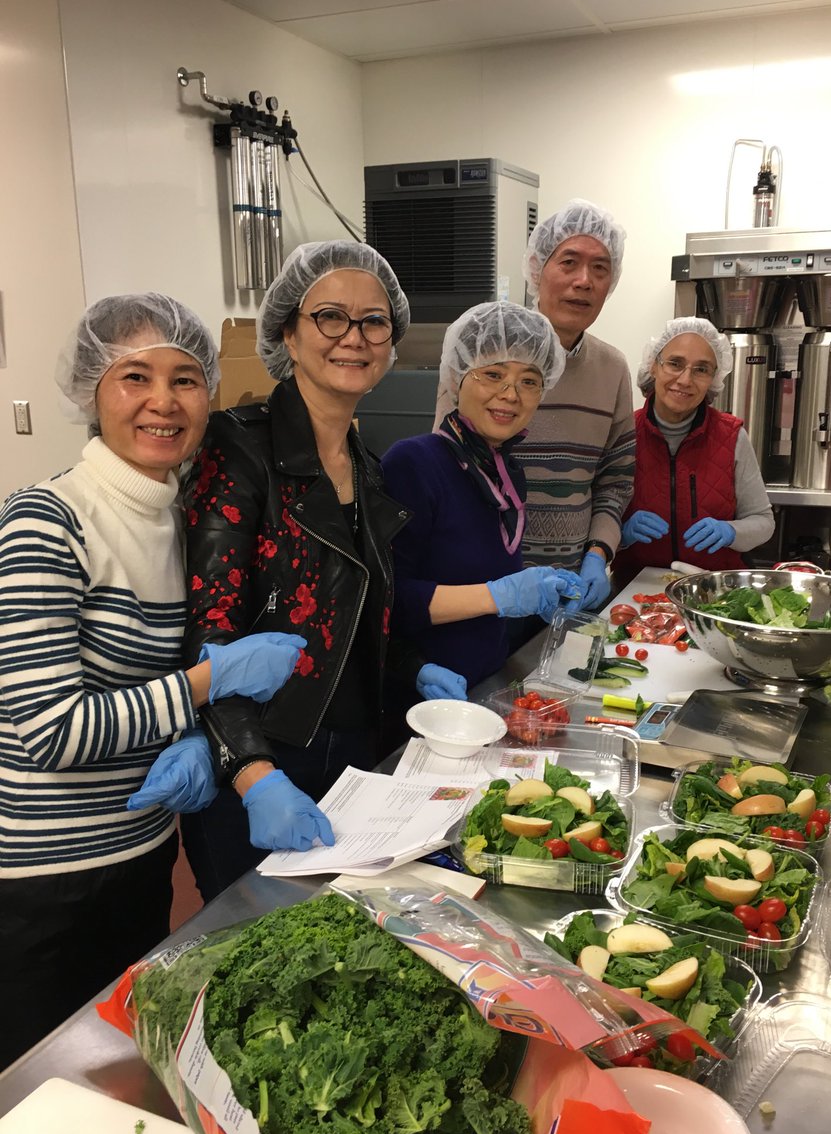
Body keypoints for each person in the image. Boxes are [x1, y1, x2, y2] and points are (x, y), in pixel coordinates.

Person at [0, 294, 305, 1070]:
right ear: (91, 394)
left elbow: (140, 681)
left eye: (186, 378)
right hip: (43, 882)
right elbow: (49, 731)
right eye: (134, 377)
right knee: (44, 1091)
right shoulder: (47, 521)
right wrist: (207, 684)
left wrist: (188, 740)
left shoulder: (173, 521)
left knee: (125, 1069)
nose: (163, 402)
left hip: (138, 855)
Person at [179, 241, 463, 903]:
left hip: (356, 747)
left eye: (373, 321)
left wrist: (409, 665)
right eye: (330, 317)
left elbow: (355, 611)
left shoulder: (365, 461)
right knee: (249, 946)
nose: (353, 338)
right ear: (289, 332)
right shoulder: (238, 444)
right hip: (265, 755)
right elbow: (210, 630)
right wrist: (254, 772)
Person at [434, 199, 635, 611]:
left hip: (571, 589)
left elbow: (615, 481)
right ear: (536, 269)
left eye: (600, 268)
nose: (584, 281)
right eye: (568, 262)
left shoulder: (612, 369)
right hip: (485, 589)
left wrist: (599, 554)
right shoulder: (484, 349)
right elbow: (446, 466)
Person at [381, 301, 581, 691]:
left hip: (488, 682)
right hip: (426, 696)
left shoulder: (507, 471)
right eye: (493, 374)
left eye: (529, 381)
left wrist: (535, 594)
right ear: (457, 377)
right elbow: (389, 598)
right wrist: (499, 596)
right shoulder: (414, 463)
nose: (510, 394)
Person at [614, 316, 775, 580]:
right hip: (635, 589)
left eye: (701, 369)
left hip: (715, 592)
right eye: (675, 363)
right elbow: (594, 519)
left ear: (714, 378)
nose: (685, 379)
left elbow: (763, 521)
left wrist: (732, 532)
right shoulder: (623, 433)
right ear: (654, 366)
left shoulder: (732, 436)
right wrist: (621, 533)